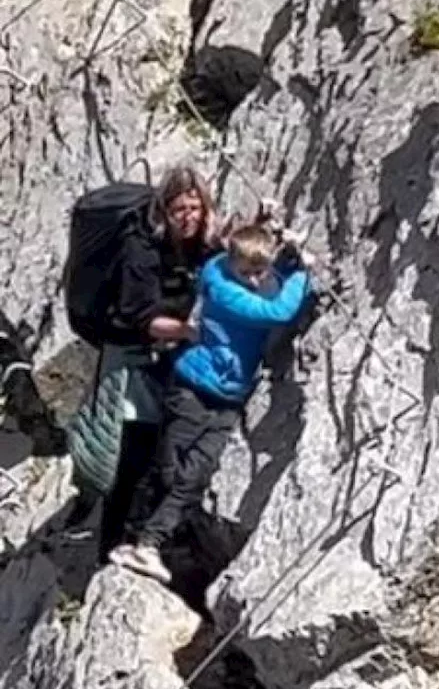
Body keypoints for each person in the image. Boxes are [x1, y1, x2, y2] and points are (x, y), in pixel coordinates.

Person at [109, 223, 312, 583]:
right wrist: (304, 274)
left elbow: (270, 283)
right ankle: (136, 538)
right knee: (172, 469)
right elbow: (277, 312)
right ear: (232, 264)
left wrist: (287, 262)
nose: (253, 280)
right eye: (246, 272)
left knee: (196, 475)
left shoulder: (232, 268)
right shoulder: (223, 289)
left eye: (258, 272)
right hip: (193, 387)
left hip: (228, 398)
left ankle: (148, 544)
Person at [62, 167, 221, 563]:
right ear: (164, 211)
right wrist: (189, 331)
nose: (188, 217)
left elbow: (226, 255)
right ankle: (113, 547)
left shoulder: (198, 244)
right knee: (133, 452)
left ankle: (144, 540)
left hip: (166, 353)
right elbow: (141, 316)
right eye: (179, 209)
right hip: (130, 355)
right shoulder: (141, 247)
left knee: (161, 448)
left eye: (195, 208)